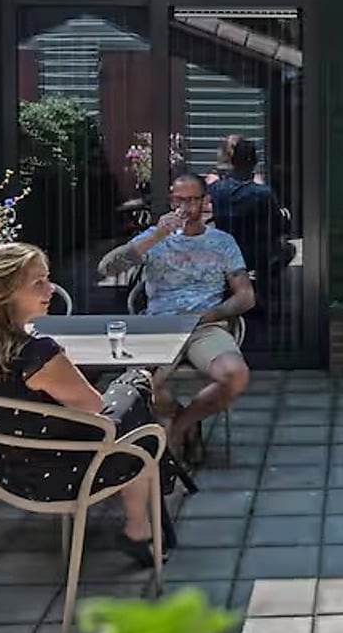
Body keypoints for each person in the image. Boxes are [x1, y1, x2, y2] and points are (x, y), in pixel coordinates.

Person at [0, 242, 164, 566]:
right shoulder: (37, 355)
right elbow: (94, 409)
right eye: (38, 283)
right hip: (66, 472)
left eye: (47, 279)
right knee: (138, 411)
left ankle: (142, 527)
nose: (50, 289)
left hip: (7, 469)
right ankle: (138, 529)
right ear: (5, 292)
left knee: (135, 405)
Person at [99, 171, 254, 452]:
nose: (186, 208)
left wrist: (209, 315)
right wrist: (157, 235)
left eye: (193, 200)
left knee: (236, 374)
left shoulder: (222, 241)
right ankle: (175, 418)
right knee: (142, 385)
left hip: (204, 327)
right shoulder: (153, 238)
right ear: (171, 201)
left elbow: (245, 297)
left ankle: (182, 424)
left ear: (205, 202)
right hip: (159, 326)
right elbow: (106, 268)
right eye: (179, 200)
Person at [207, 137, 286, 288]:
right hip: (256, 256)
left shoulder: (216, 189)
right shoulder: (262, 192)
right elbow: (278, 225)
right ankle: (264, 284)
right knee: (287, 250)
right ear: (254, 163)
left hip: (225, 253)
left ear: (232, 162)